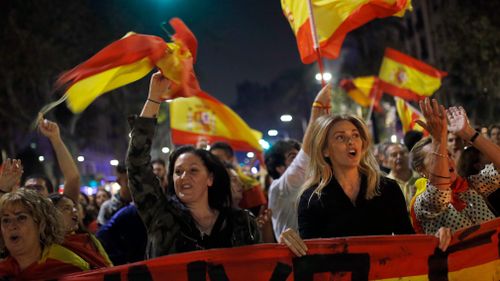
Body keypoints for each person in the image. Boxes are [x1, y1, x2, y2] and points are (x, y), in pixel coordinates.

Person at [280, 108, 452, 257]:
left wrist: (434, 238)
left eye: (355, 135)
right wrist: (289, 244)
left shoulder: (387, 188)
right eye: (340, 137)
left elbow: (409, 241)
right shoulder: (311, 199)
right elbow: (309, 257)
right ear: (325, 150)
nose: (351, 141)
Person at [126, 72, 260, 258]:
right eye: (178, 172)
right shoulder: (161, 216)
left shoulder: (241, 223)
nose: (183, 177)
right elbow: (136, 164)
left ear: (210, 178)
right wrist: (154, 99)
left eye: (193, 170)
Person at [409, 102, 500, 235]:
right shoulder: (423, 203)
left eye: (449, 155)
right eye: (438, 159)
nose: (447, 161)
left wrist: (470, 133)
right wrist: (438, 140)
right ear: (421, 169)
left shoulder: (471, 186)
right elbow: (439, 191)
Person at [266, 84, 330, 240]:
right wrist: (316, 111)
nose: (300, 161)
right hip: (294, 261)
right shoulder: (278, 190)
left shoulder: (319, 182)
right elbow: (304, 159)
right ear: (279, 168)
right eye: (293, 157)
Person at [0, 189, 89, 279]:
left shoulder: (69, 268)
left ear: (41, 224)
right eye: (6, 220)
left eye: (21, 218)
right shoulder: (2, 270)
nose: (12, 226)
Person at [48, 193, 112, 269]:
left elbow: (109, 266)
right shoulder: (48, 248)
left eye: (74, 207)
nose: (75, 210)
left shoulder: (89, 239)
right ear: (51, 216)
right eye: (66, 208)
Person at [23, 118, 80, 200]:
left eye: (38, 188)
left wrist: (55, 138)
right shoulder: (13, 211)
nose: (33, 192)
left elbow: (73, 179)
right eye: (28, 189)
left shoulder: (57, 210)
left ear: (50, 194)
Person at [384, 143, 418, 208]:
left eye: (402, 153)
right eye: (394, 155)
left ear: (409, 156)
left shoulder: (421, 179)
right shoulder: (385, 185)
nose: (399, 157)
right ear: (386, 161)